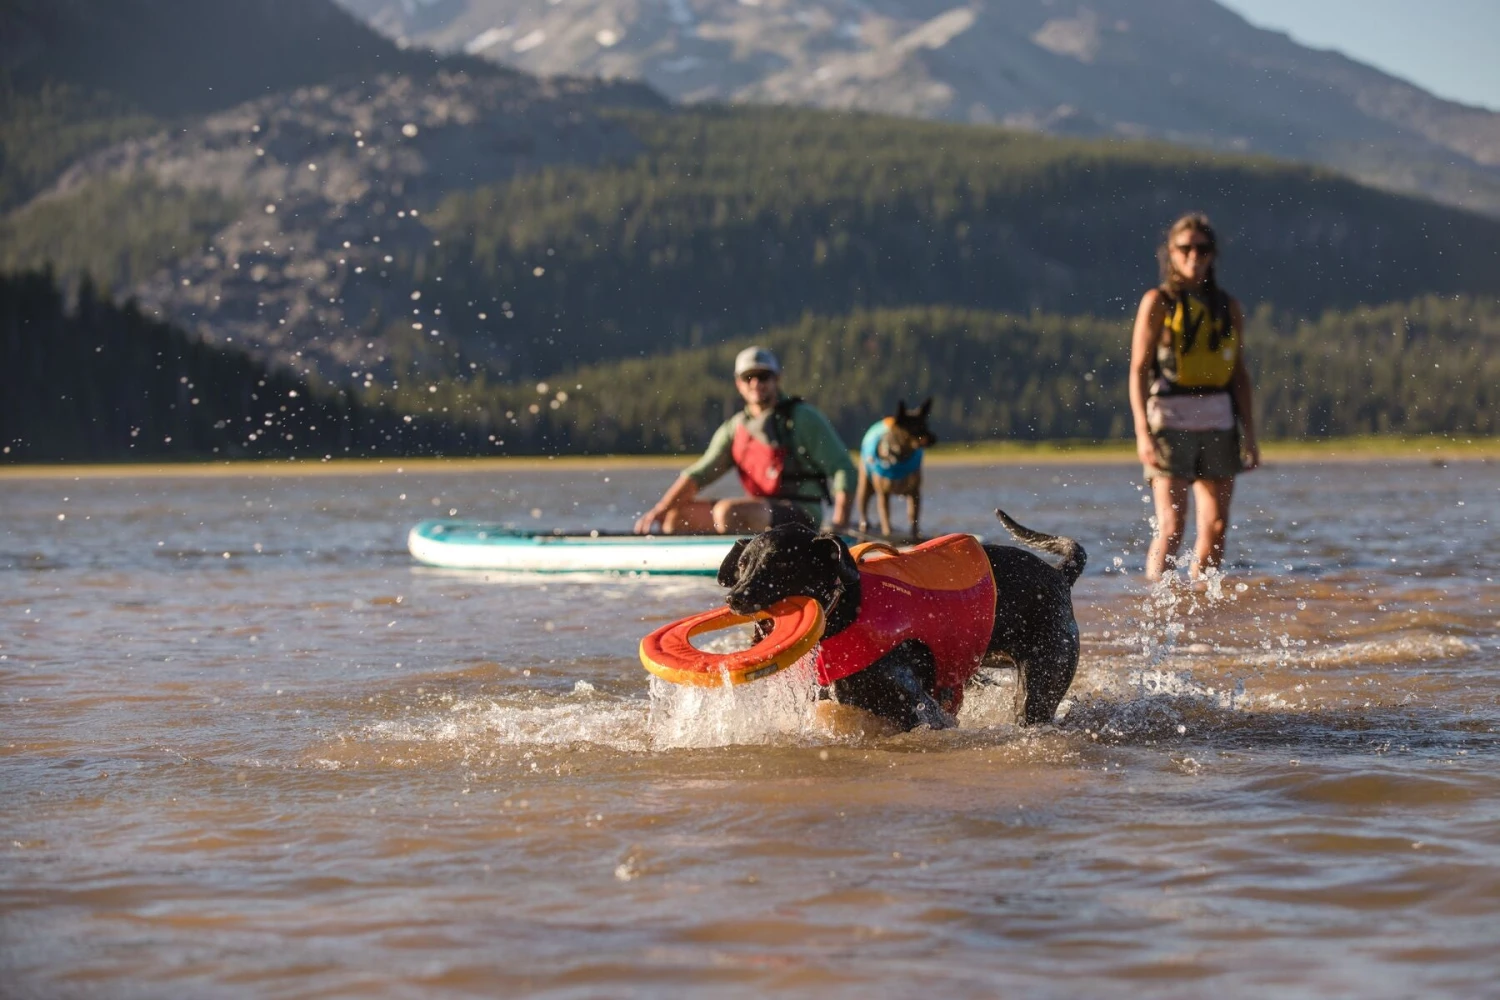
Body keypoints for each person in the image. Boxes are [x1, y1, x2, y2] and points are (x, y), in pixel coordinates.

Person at [1129, 213, 1260, 581]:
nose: (1193, 256)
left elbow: (1239, 374)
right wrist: (1142, 431)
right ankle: (1158, 603)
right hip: (1169, 423)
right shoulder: (1157, 302)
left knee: (1216, 526)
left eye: (1201, 249)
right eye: (1184, 248)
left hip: (1219, 422)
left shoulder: (1228, 307)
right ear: (1170, 252)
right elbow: (1138, 369)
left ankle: (1201, 606)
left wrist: (1249, 434)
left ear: (1212, 254)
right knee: (1172, 525)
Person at [633, 346, 856, 535]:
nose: (756, 383)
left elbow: (844, 469)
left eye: (763, 376)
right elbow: (700, 474)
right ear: (738, 384)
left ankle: (745, 563)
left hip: (802, 513)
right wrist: (660, 510)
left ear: (777, 379)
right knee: (675, 517)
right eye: (748, 377)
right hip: (760, 511)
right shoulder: (734, 428)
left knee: (728, 512)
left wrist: (839, 524)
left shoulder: (803, 417)